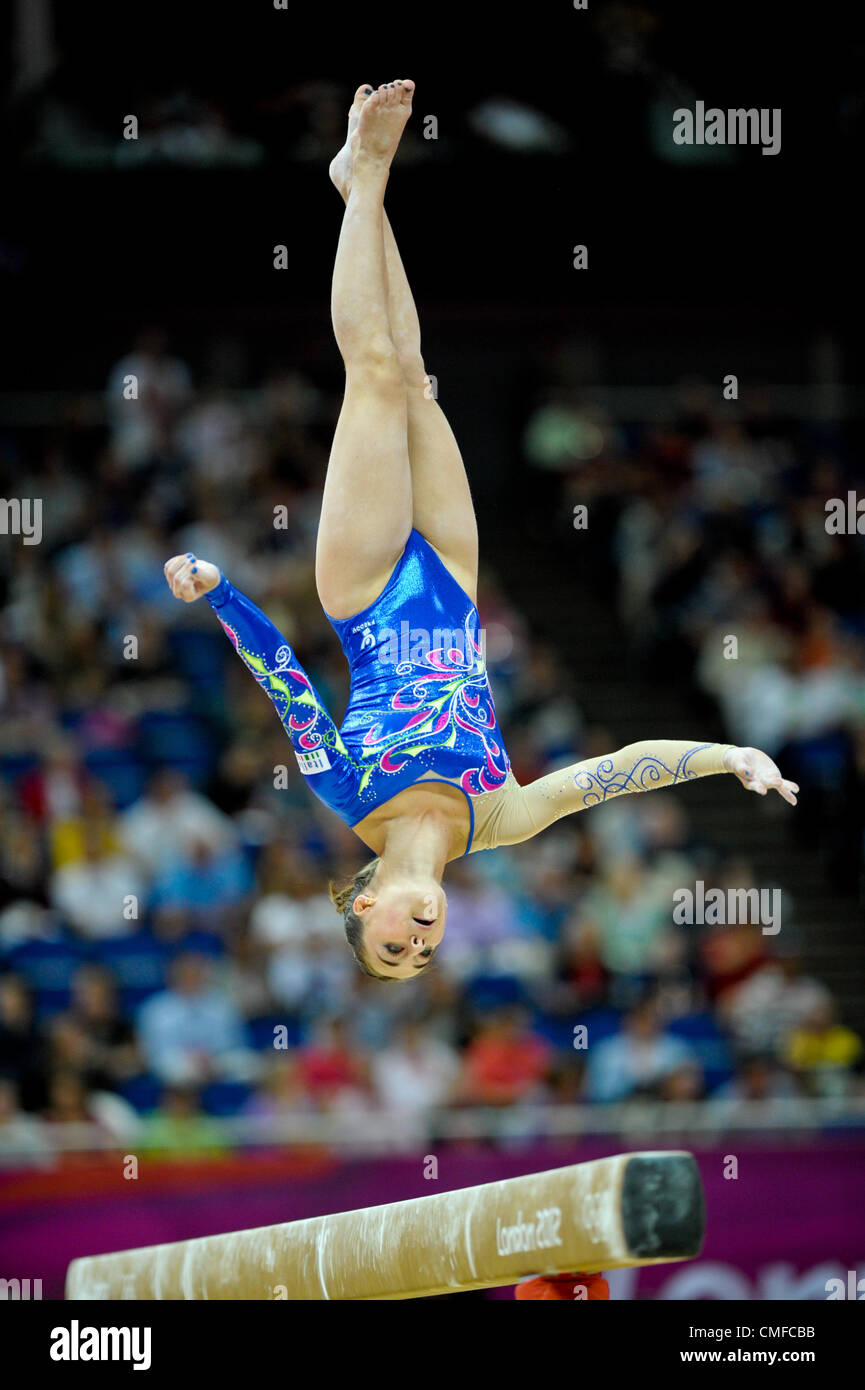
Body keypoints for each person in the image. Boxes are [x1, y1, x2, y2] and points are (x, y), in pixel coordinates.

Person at [163, 81, 798, 985]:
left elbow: (286, 682)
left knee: (374, 375)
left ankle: (366, 171)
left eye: (393, 944)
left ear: (359, 902)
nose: (418, 936)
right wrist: (728, 756)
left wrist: (219, 590)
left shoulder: (349, 796)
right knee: (416, 377)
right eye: (423, 953)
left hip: (367, 587)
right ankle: (356, 185)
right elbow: (619, 769)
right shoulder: (499, 818)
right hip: (453, 585)